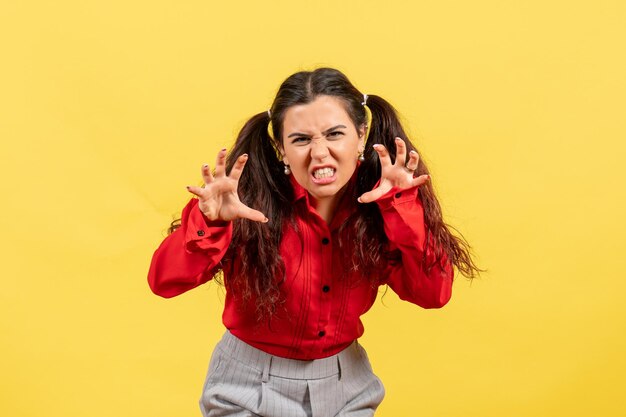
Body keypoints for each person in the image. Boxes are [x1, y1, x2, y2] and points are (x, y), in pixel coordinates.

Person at [148, 67, 480, 417]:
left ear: (361, 135)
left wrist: (401, 210)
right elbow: (163, 281)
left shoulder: (385, 205)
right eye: (301, 139)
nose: (319, 153)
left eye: (335, 134)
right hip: (246, 388)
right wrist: (210, 223)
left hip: (345, 386)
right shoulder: (240, 203)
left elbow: (433, 294)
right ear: (281, 148)